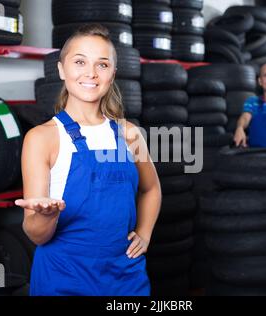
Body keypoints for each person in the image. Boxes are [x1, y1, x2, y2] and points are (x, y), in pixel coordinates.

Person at [14, 24, 162, 296]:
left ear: (113, 74)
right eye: (79, 62)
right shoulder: (42, 138)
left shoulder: (129, 134)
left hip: (126, 278)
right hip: (64, 279)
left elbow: (151, 189)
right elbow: (37, 235)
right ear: (61, 69)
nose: (91, 73)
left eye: (102, 65)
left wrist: (144, 233)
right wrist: (46, 216)